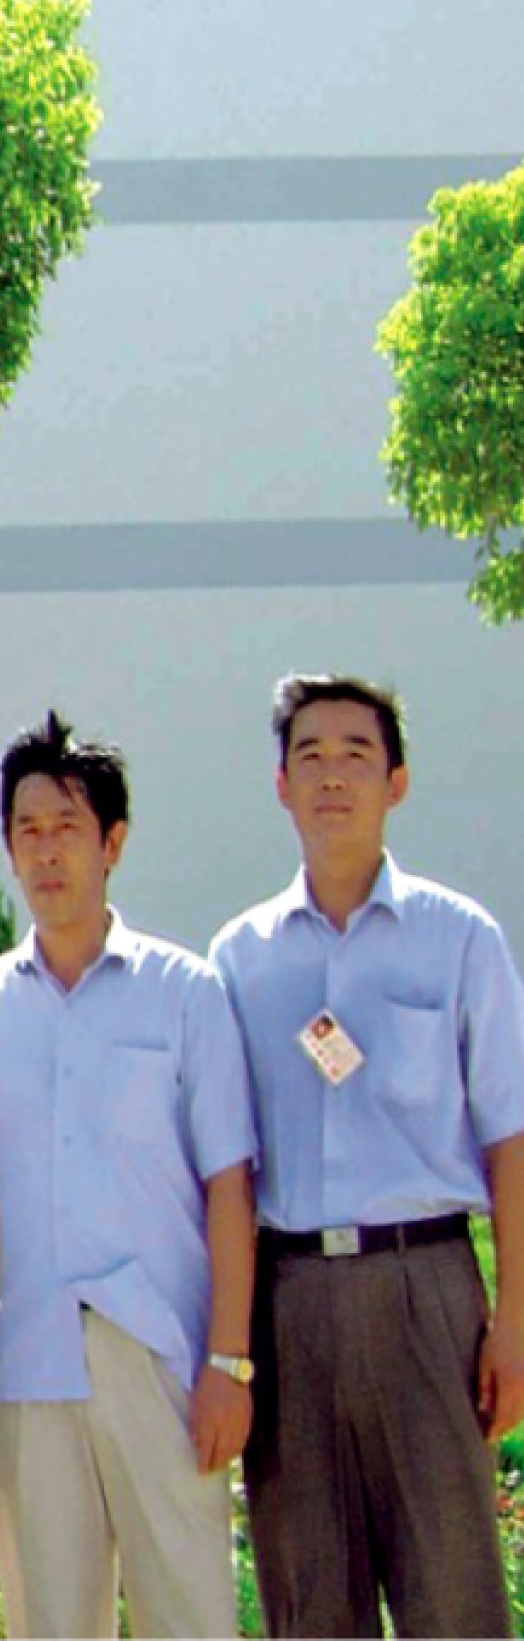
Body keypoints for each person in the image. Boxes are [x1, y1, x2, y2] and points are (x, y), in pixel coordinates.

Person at [211, 674, 523, 1638]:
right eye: (310, 756)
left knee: (453, 1589)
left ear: (398, 782)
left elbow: (511, 1138)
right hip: (289, 1301)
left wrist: (513, 1316)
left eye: (357, 755)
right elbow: (225, 1168)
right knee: (309, 1593)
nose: (332, 777)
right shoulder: (238, 959)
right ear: (279, 785)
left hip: (424, 1286)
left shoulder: (461, 939)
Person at [0, 716, 256, 1638]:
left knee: (188, 1614)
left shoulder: (186, 992)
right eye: (26, 830)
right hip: (30, 1361)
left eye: (66, 827)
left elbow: (229, 1189)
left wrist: (228, 1364)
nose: (45, 852)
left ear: (112, 843)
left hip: (161, 1357)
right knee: (49, 1620)